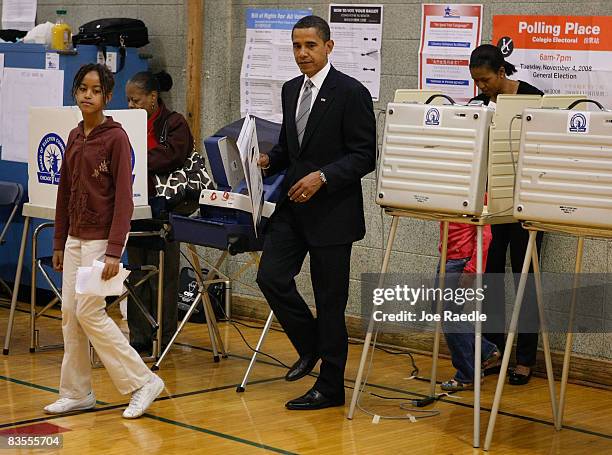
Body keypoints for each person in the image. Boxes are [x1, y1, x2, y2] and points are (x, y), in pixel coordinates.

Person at [256, 15, 376, 411]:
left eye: (309, 45)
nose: (302, 53)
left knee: (330, 303)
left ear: (328, 46)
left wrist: (322, 177)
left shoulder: (351, 92)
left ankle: (330, 387)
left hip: (332, 215)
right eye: (296, 46)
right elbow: (293, 150)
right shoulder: (291, 90)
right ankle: (310, 346)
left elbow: (364, 155)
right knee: (270, 277)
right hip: (293, 209)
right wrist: (268, 159)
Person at [46, 63, 164, 418]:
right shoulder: (73, 136)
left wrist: (115, 250)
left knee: (89, 311)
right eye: (83, 88)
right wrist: (57, 242)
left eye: (96, 90)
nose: (87, 95)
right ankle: (77, 392)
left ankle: (142, 381)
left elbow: (124, 200)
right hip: (74, 239)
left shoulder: (116, 138)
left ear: (107, 97)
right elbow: (64, 192)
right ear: (75, 92)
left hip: (102, 242)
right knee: (70, 313)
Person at [470, 44, 544, 385]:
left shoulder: (534, 99)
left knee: (525, 280)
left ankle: (526, 358)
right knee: (493, 279)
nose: (481, 88)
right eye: (476, 82)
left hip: (527, 204)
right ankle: (495, 350)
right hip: (492, 204)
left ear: (501, 72)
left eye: (485, 81)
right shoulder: (480, 106)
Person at [125, 71, 193, 354]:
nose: (130, 106)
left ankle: (164, 335)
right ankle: (139, 335)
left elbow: (173, 156)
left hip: (165, 207)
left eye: (136, 100)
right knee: (138, 271)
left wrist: (137, 158)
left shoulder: (174, 123)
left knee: (164, 274)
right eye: (128, 100)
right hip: (135, 204)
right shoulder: (127, 123)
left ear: (153, 98)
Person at [438, 221, 500, 392]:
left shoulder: (478, 195)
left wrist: (472, 269)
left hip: (460, 262)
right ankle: (486, 350)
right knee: (447, 313)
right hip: (449, 257)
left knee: (448, 315)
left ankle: (467, 374)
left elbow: (486, 235)